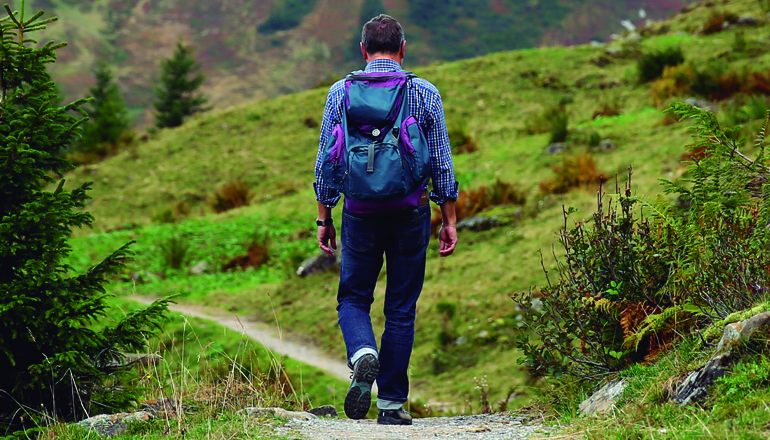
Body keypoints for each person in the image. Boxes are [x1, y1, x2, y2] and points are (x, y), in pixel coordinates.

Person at [313, 14, 459, 425]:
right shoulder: (424, 92)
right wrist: (448, 217)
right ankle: (392, 405)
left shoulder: (340, 92)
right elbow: (442, 163)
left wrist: (324, 216)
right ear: (402, 48)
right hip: (410, 211)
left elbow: (327, 159)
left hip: (359, 212)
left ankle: (363, 353)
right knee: (400, 307)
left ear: (363, 50)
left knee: (353, 297)